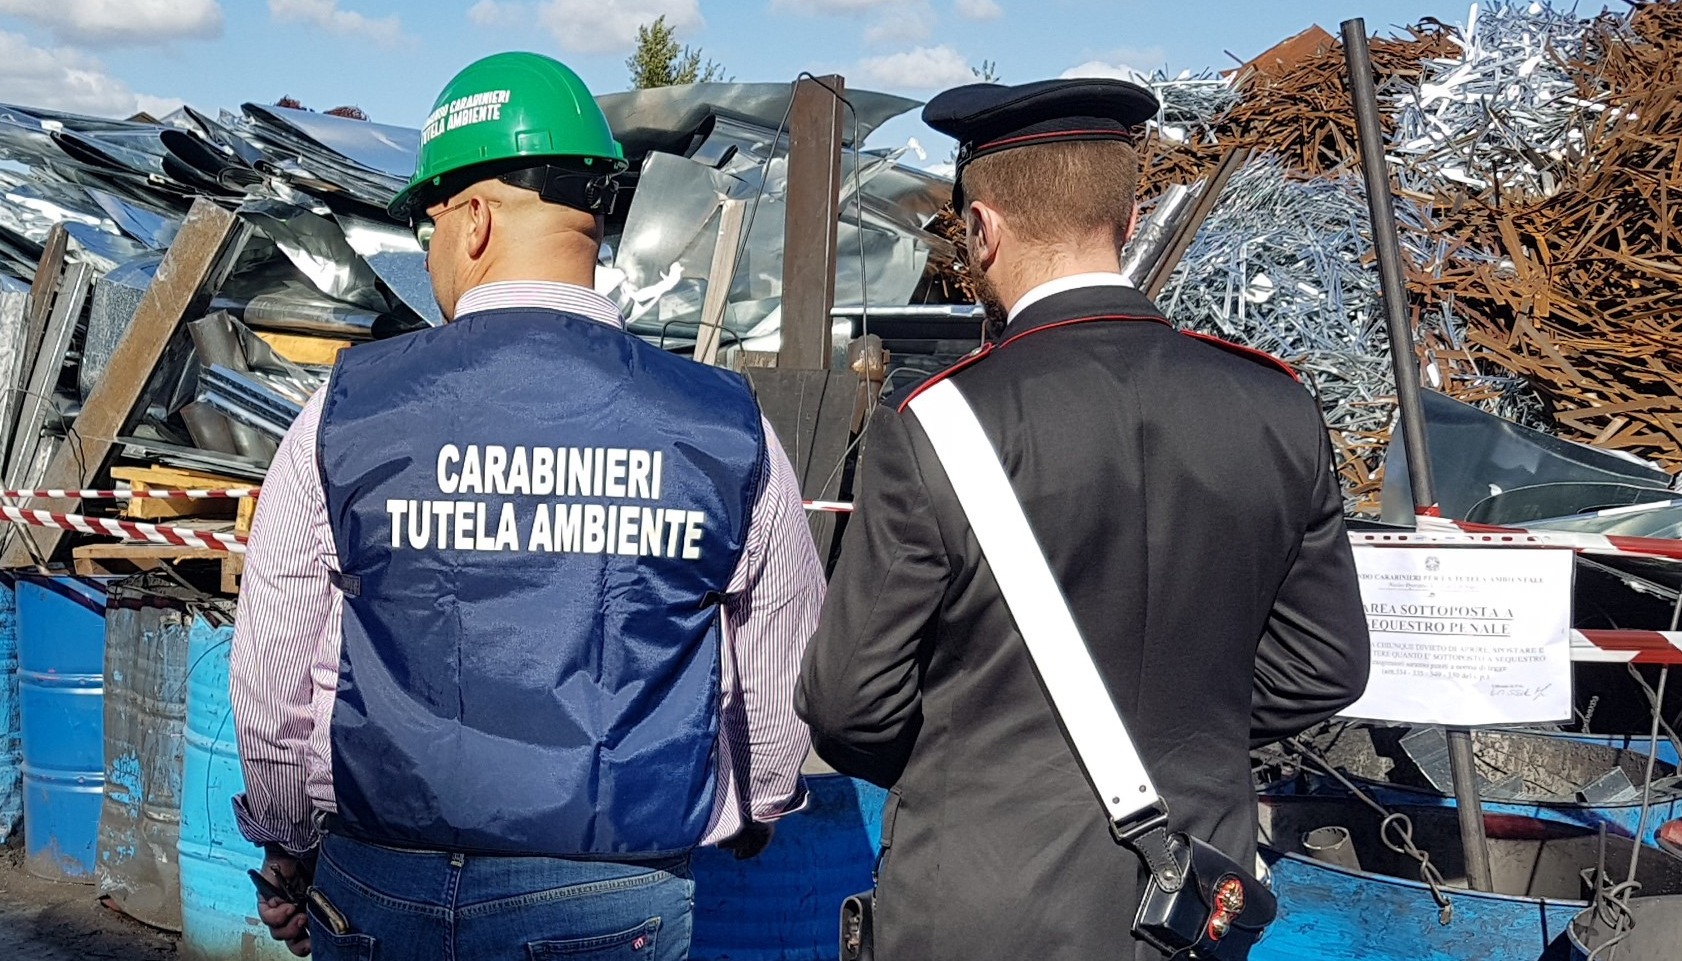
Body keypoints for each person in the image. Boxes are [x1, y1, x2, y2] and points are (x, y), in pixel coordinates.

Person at [230, 52, 825, 960]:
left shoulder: (345, 412)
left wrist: (289, 846)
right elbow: (781, 674)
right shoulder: (724, 424)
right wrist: (755, 806)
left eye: (425, 228)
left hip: (384, 881)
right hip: (615, 890)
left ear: (471, 220)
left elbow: (277, 667)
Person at [797, 78, 1371, 961]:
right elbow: (1324, 665)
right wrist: (1184, 733)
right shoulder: (1276, 407)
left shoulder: (936, 423)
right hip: (1187, 904)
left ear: (982, 230)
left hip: (980, 902)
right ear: (1133, 215)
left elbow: (849, 706)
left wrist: (983, 754)